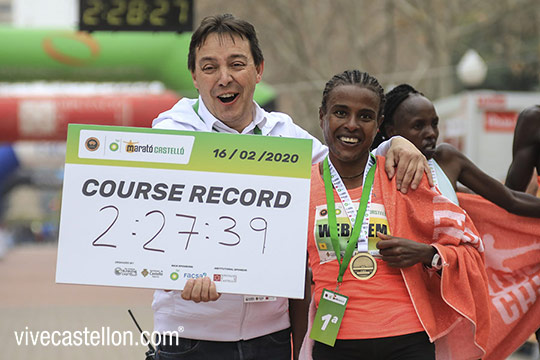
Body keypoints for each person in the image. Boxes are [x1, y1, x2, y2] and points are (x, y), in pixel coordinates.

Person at [151, 15, 430, 360]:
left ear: (259, 70)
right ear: (194, 76)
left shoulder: (286, 136)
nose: (224, 77)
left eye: (237, 64)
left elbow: (343, 166)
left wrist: (396, 144)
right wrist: (176, 273)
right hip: (188, 336)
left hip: (270, 338)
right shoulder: (170, 138)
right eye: (209, 67)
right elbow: (146, 235)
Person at [301, 70, 490, 360]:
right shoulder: (302, 186)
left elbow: (471, 247)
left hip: (408, 340)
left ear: (378, 125)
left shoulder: (404, 177)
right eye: (340, 113)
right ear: (322, 116)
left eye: (364, 117)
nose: (351, 125)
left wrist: (427, 253)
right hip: (334, 341)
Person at [374, 84, 540, 217]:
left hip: (450, 258)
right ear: (391, 131)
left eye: (434, 124)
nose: (431, 133)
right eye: (418, 126)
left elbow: (511, 199)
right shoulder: (376, 167)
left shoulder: (447, 159)